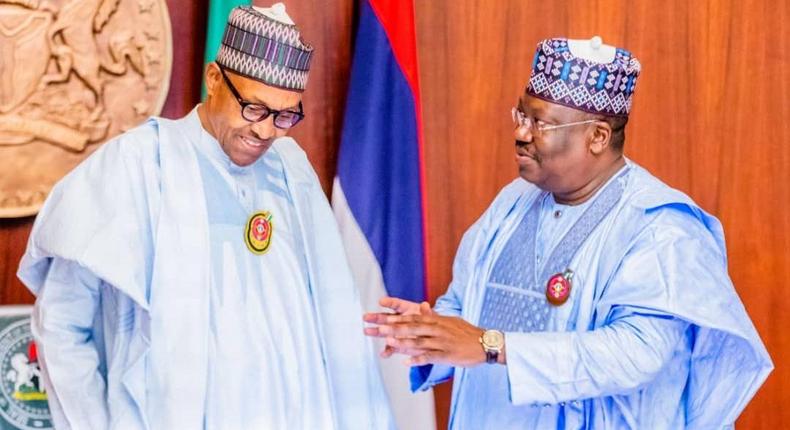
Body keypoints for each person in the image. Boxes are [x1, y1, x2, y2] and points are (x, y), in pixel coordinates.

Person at [364, 36, 773, 429]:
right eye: (521, 116)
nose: (521, 134)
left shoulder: (662, 227)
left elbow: (636, 354)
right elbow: (465, 306)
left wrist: (492, 346)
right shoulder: (514, 201)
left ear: (597, 136)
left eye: (540, 122)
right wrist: (430, 332)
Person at [18, 4, 394, 429]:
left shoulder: (291, 168)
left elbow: (332, 314)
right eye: (253, 108)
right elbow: (62, 324)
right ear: (214, 79)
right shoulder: (140, 164)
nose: (266, 131)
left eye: (285, 115)